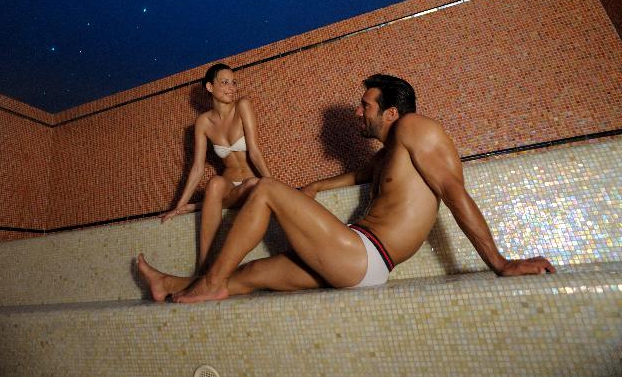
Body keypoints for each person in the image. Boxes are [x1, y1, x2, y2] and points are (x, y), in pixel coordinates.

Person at [139, 74, 555, 303]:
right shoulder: (393, 150)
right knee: (250, 274)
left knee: (265, 190)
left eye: (366, 105)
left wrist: (499, 263)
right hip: (357, 258)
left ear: (391, 112)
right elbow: (362, 174)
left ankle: (209, 283)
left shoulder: (416, 128)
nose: (359, 111)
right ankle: (170, 284)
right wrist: (317, 184)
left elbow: (453, 192)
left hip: (365, 255)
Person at [160, 63, 272, 270]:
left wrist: (273, 185)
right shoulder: (203, 122)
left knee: (252, 183)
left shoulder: (242, 106)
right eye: (225, 82)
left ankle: (198, 207)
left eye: (233, 82)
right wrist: (178, 206)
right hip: (229, 190)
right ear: (210, 87)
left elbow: (255, 152)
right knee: (214, 183)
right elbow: (197, 168)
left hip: (250, 184)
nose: (232, 88)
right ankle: (203, 266)